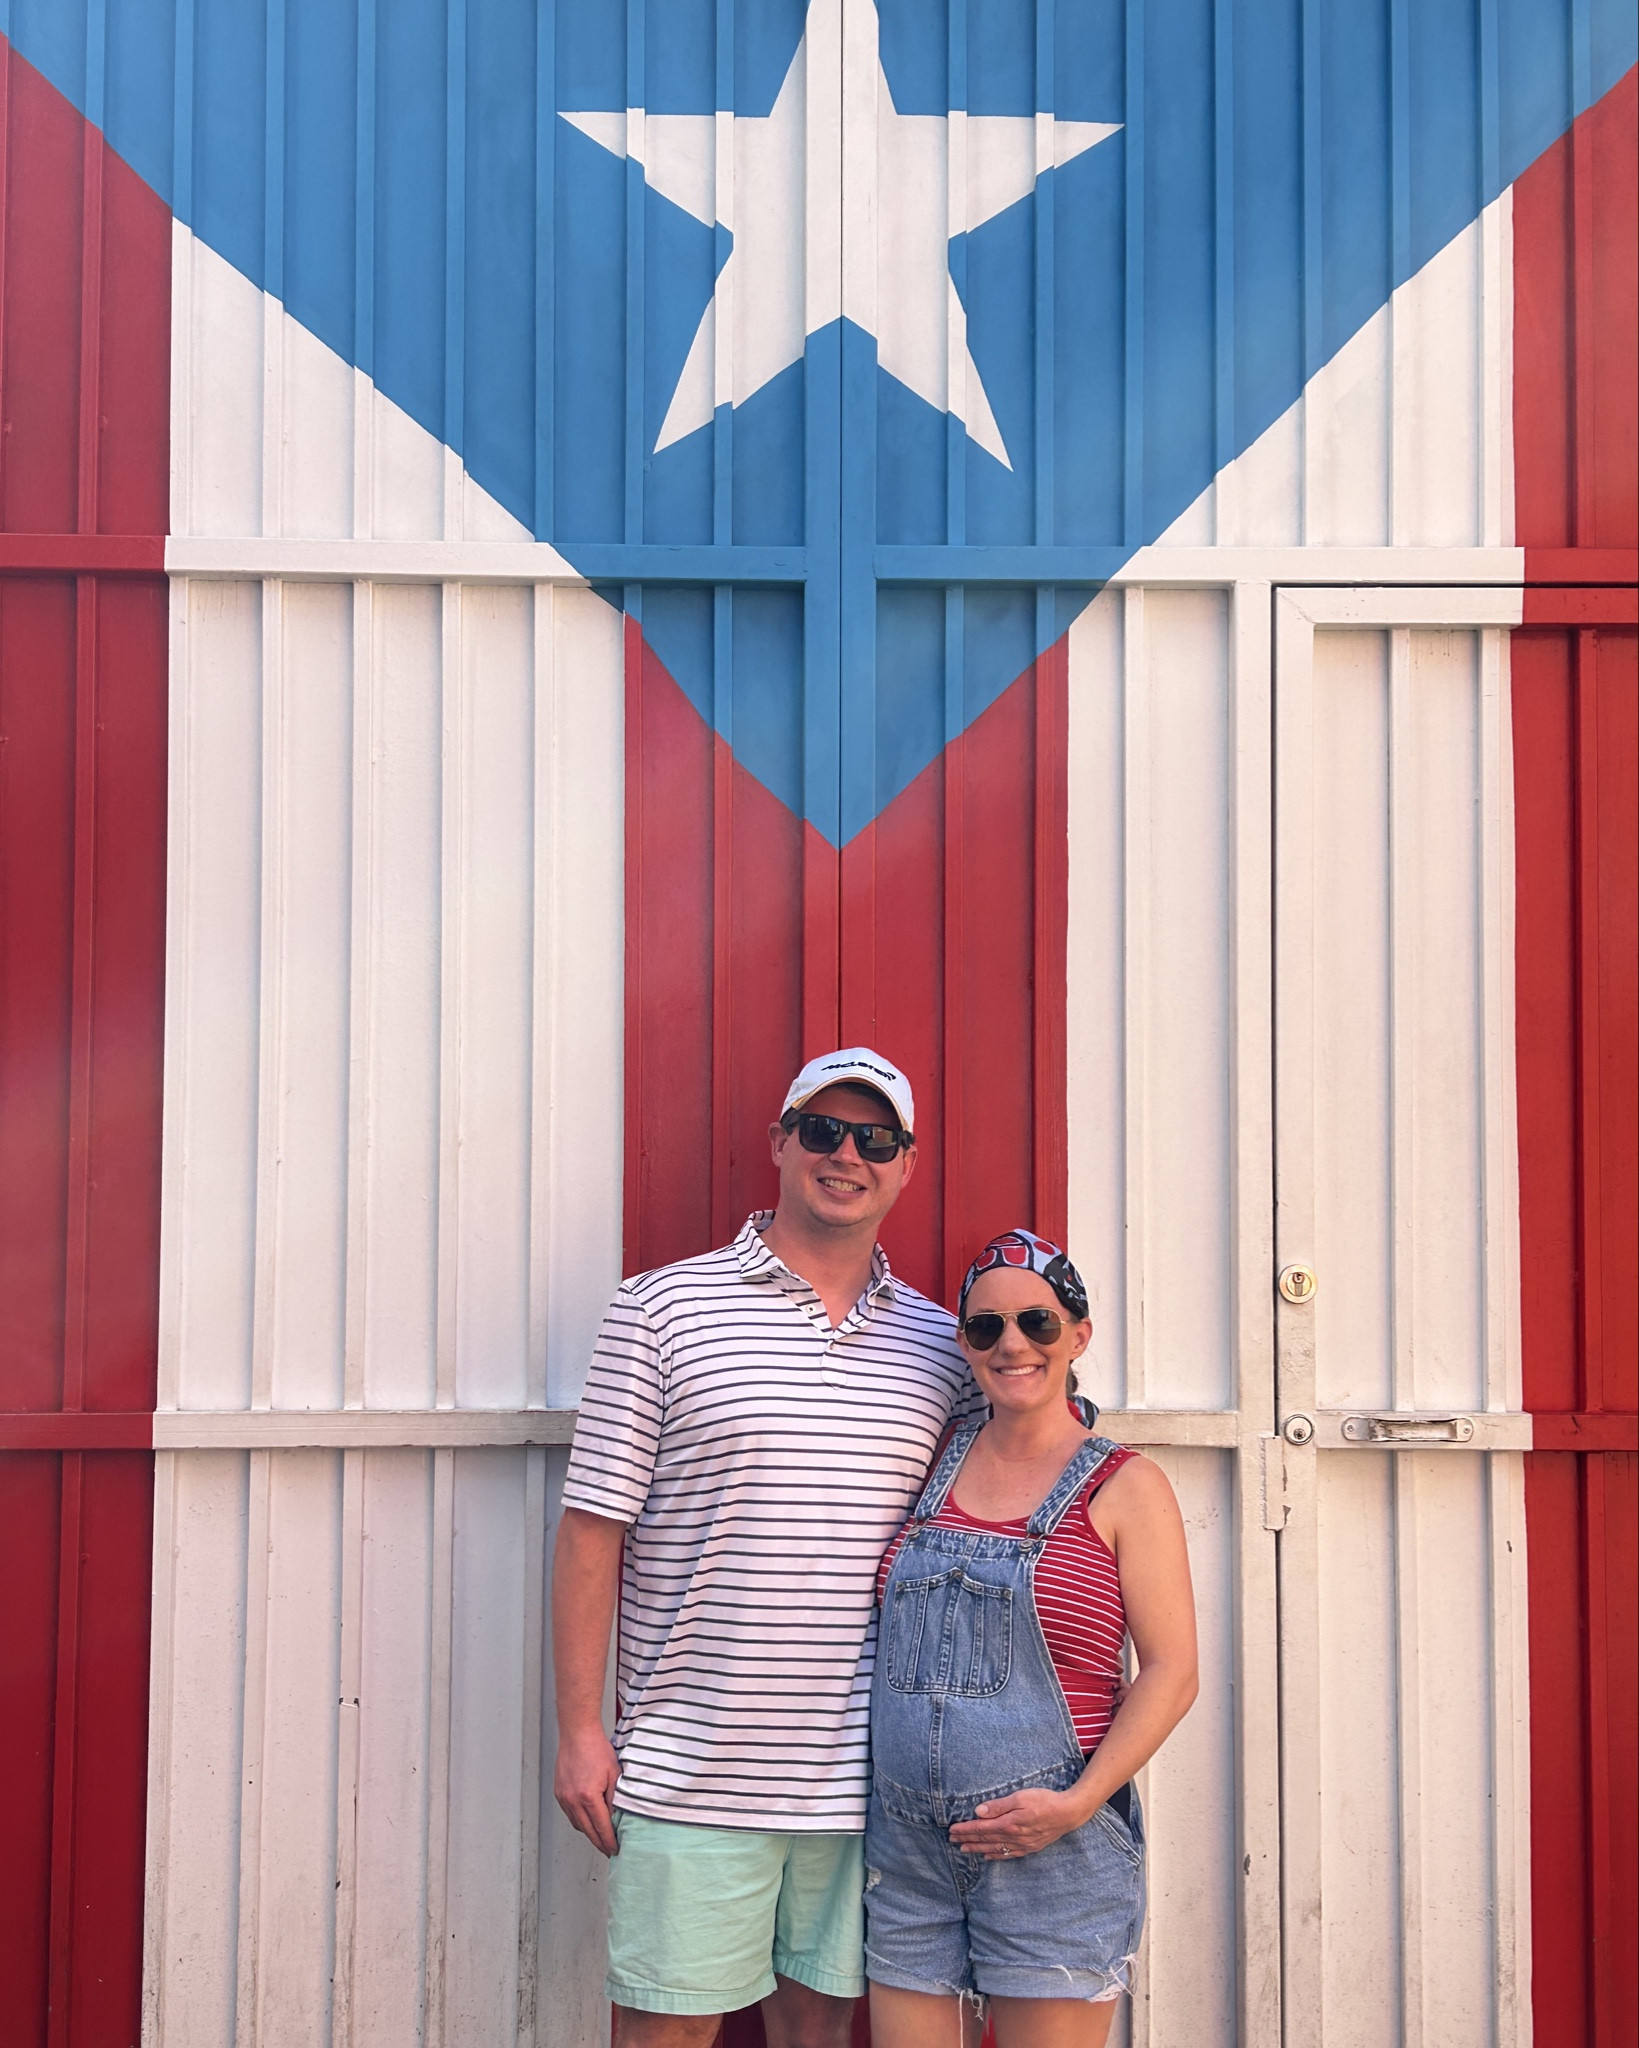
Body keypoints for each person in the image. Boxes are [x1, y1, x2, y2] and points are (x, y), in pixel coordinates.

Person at [552, 1049, 979, 2048]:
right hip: (689, 1766)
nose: (847, 1154)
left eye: (875, 1139)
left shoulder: (936, 1346)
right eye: (823, 1129)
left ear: (905, 1165)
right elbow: (589, 1533)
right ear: (780, 1142)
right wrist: (580, 1729)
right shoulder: (659, 1310)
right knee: (665, 2033)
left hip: (865, 1779)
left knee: (820, 2032)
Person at [865, 1229, 1199, 2048]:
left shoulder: (1125, 1486)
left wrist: (1076, 1805)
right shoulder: (925, 1465)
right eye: (986, 1328)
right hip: (908, 1855)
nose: (1011, 1344)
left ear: (1077, 1336)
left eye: (1037, 1324)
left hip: (1058, 1854)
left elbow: (1172, 1671)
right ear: (965, 1345)